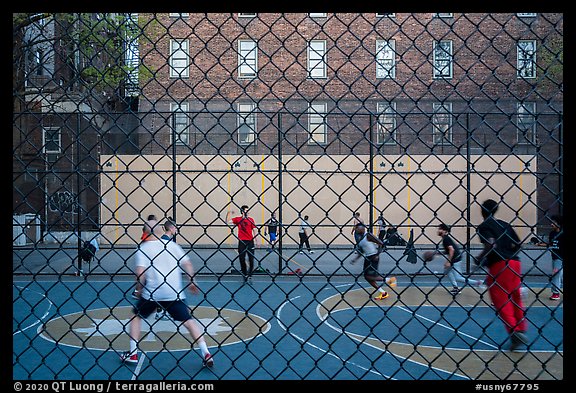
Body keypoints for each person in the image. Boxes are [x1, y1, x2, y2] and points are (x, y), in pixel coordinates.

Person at [121, 220, 214, 367]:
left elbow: (140, 273)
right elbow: (187, 264)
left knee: (135, 316)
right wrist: (192, 281)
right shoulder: (172, 245)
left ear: (144, 234)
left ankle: (133, 353)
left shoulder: (143, 248)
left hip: (152, 293)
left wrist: (139, 289)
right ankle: (206, 352)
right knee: (188, 321)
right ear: (160, 231)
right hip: (173, 292)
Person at [475, 199, 528, 351]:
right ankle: (521, 327)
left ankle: (515, 331)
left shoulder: (484, 226)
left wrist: (480, 259)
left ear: (482, 211)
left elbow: (491, 244)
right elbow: (518, 244)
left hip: (499, 264)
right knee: (515, 296)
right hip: (515, 263)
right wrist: (510, 254)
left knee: (501, 299)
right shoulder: (505, 224)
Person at [428, 223, 485, 295]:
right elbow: (448, 250)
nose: (438, 230)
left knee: (458, 277)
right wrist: (437, 254)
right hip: (454, 259)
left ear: (445, 231)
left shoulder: (446, 239)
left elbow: (451, 250)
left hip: (456, 260)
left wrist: (448, 261)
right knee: (447, 271)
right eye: (439, 229)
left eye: (440, 229)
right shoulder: (445, 239)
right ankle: (455, 288)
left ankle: (478, 282)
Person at [351, 223, 397, 300]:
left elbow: (381, 243)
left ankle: (390, 280)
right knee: (367, 277)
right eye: (356, 228)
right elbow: (362, 251)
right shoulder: (360, 238)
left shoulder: (368, 235)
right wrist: (355, 259)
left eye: (358, 228)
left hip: (373, 257)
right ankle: (383, 292)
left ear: (363, 228)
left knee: (371, 277)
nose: (356, 230)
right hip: (367, 258)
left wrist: (377, 254)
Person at [535, 215, 563, 301]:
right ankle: (556, 292)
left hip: (560, 257)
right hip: (555, 257)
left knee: (556, 274)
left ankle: (555, 293)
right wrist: (540, 244)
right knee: (557, 275)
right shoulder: (552, 233)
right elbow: (551, 244)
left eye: (553, 223)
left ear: (559, 224)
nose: (551, 224)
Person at [226, 205, 258, 283]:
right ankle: (244, 273)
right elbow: (227, 222)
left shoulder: (251, 220)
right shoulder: (238, 219)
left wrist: (256, 239)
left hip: (250, 241)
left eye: (248, 210)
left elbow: (254, 230)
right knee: (242, 258)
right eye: (246, 210)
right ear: (242, 211)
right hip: (242, 241)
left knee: (251, 258)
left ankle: (250, 274)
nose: (247, 212)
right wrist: (228, 213)